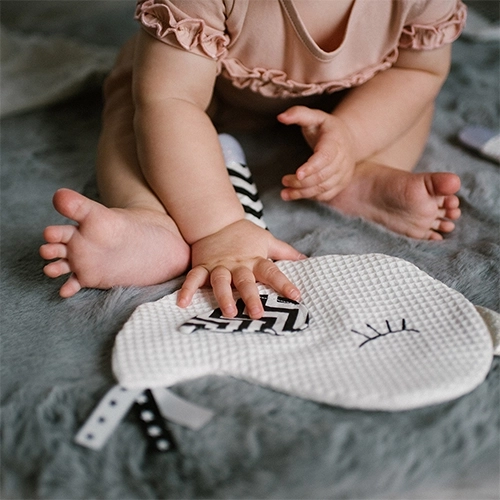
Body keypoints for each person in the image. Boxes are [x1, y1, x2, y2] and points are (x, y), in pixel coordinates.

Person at [40, 0, 466, 319]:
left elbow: (417, 71)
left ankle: (360, 172)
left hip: (346, 98)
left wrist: (352, 136)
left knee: (409, 100)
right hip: (201, 90)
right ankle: (149, 218)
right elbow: (171, 102)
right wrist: (219, 228)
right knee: (136, 110)